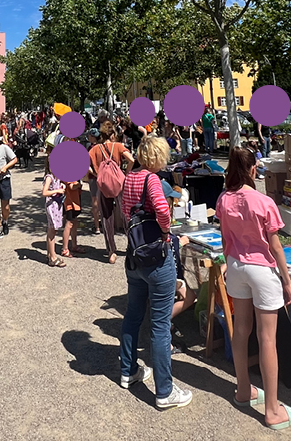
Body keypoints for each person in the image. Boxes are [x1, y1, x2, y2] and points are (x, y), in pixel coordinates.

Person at [216, 146, 291, 430]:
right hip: (262, 270)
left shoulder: (224, 199)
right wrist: (287, 281)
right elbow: (275, 247)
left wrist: (229, 261)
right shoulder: (263, 201)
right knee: (267, 339)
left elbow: (225, 239)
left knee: (241, 329)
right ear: (254, 169)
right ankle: (272, 409)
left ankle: (243, 389)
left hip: (236, 267)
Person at [118, 136, 192, 411]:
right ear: (158, 157)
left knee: (133, 314)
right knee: (160, 326)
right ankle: (165, 390)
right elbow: (162, 210)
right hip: (156, 258)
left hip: (134, 255)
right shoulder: (151, 179)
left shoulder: (130, 177)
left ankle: (128, 370)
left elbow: (126, 214)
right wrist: (165, 232)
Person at [89, 120, 131, 264]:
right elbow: (131, 159)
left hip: (103, 186)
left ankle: (111, 251)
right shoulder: (118, 146)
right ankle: (132, 245)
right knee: (126, 214)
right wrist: (125, 172)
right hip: (119, 184)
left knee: (106, 217)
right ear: (112, 134)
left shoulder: (95, 149)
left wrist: (96, 174)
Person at [43, 168, 67, 267]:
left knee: (53, 230)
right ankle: (52, 257)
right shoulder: (50, 177)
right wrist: (57, 190)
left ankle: (50, 254)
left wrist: (62, 186)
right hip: (51, 206)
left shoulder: (57, 177)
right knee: (52, 230)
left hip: (57, 205)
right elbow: (44, 192)